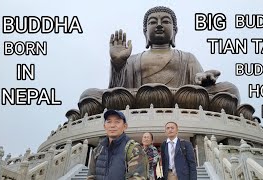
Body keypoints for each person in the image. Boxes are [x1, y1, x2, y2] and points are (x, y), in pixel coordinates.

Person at [108, 6, 240, 101]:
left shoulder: (187, 58)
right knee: (89, 94)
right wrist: (118, 64)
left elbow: (199, 86)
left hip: (183, 98)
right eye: (153, 22)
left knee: (230, 90)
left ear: (174, 31)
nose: (159, 25)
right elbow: (116, 90)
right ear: (145, 32)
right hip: (140, 99)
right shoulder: (132, 60)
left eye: (165, 21)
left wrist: (204, 79)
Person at [87, 110, 148, 180]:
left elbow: (137, 178)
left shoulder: (134, 149)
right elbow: (91, 177)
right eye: (109, 122)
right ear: (104, 126)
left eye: (117, 122)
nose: (112, 125)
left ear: (125, 126)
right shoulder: (97, 150)